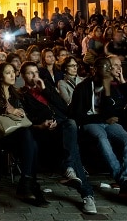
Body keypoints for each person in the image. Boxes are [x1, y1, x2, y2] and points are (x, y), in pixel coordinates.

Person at [19, 61, 97, 214]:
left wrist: (45, 90)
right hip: (44, 131)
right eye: (30, 73)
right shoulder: (22, 95)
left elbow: (64, 108)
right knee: (73, 150)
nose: (35, 76)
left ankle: (70, 169)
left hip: (63, 126)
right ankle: (87, 195)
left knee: (71, 124)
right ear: (22, 76)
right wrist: (42, 124)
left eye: (36, 72)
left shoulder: (46, 86)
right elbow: (27, 119)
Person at [70, 57, 127, 207]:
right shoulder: (83, 87)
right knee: (101, 138)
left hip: (108, 122)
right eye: (104, 68)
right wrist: (103, 118)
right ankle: (126, 182)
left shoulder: (111, 87)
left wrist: (107, 91)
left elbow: (119, 106)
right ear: (95, 70)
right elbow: (77, 116)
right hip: (90, 122)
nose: (108, 71)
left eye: (108, 68)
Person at [0, 62, 47, 206]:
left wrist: (39, 124)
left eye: (13, 72)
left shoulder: (16, 93)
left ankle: (27, 183)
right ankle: (30, 185)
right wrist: (6, 110)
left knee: (31, 140)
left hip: (17, 135)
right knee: (30, 141)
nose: (12, 75)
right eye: (7, 72)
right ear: (0, 75)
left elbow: (23, 119)